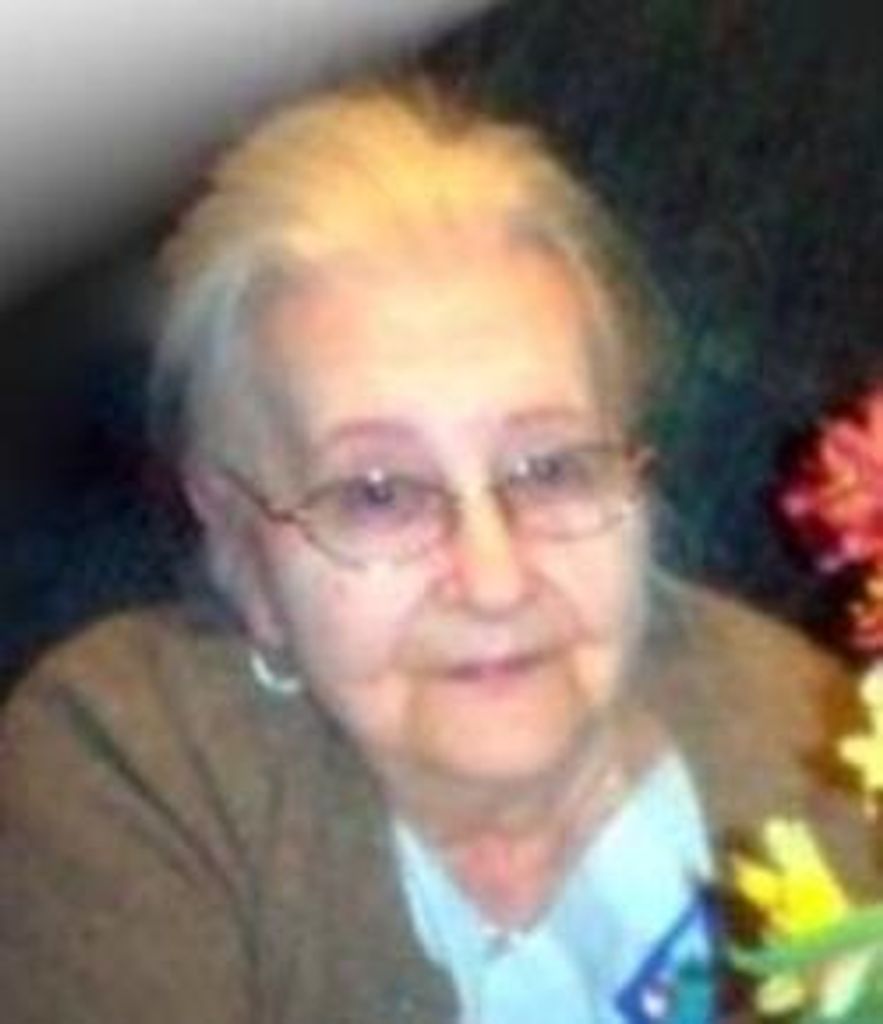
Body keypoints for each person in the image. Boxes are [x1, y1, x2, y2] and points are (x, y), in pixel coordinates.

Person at [0, 80, 869, 1024]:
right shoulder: (129, 762)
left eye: (550, 468)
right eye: (378, 494)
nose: (494, 583)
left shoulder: (811, 733)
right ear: (242, 550)